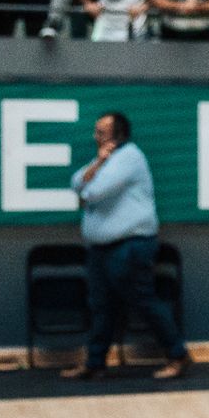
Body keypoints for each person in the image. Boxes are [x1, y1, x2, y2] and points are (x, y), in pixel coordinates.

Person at [64, 111, 189, 381]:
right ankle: (95, 363)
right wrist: (95, 166)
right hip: (101, 249)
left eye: (101, 132)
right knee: (101, 306)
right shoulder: (105, 160)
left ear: (117, 135)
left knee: (143, 301)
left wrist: (87, 186)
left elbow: (92, 192)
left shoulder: (130, 158)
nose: (95, 137)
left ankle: (178, 355)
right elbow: (75, 182)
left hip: (130, 245)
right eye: (96, 131)